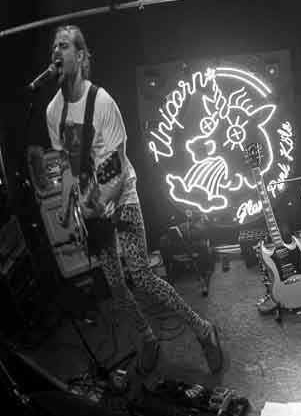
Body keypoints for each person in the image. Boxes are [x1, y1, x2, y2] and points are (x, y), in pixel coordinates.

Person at [45, 25, 224, 376]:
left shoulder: (102, 103)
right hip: (92, 207)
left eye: (63, 46)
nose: (55, 52)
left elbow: (116, 164)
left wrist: (103, 202)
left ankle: (203, 330)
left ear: (80, 56)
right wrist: (71, 208)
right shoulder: (54, 111)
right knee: (114, 283)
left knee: (141, 275)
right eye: (53, 47)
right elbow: (65, 163)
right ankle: (146, 338)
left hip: (121, 196)